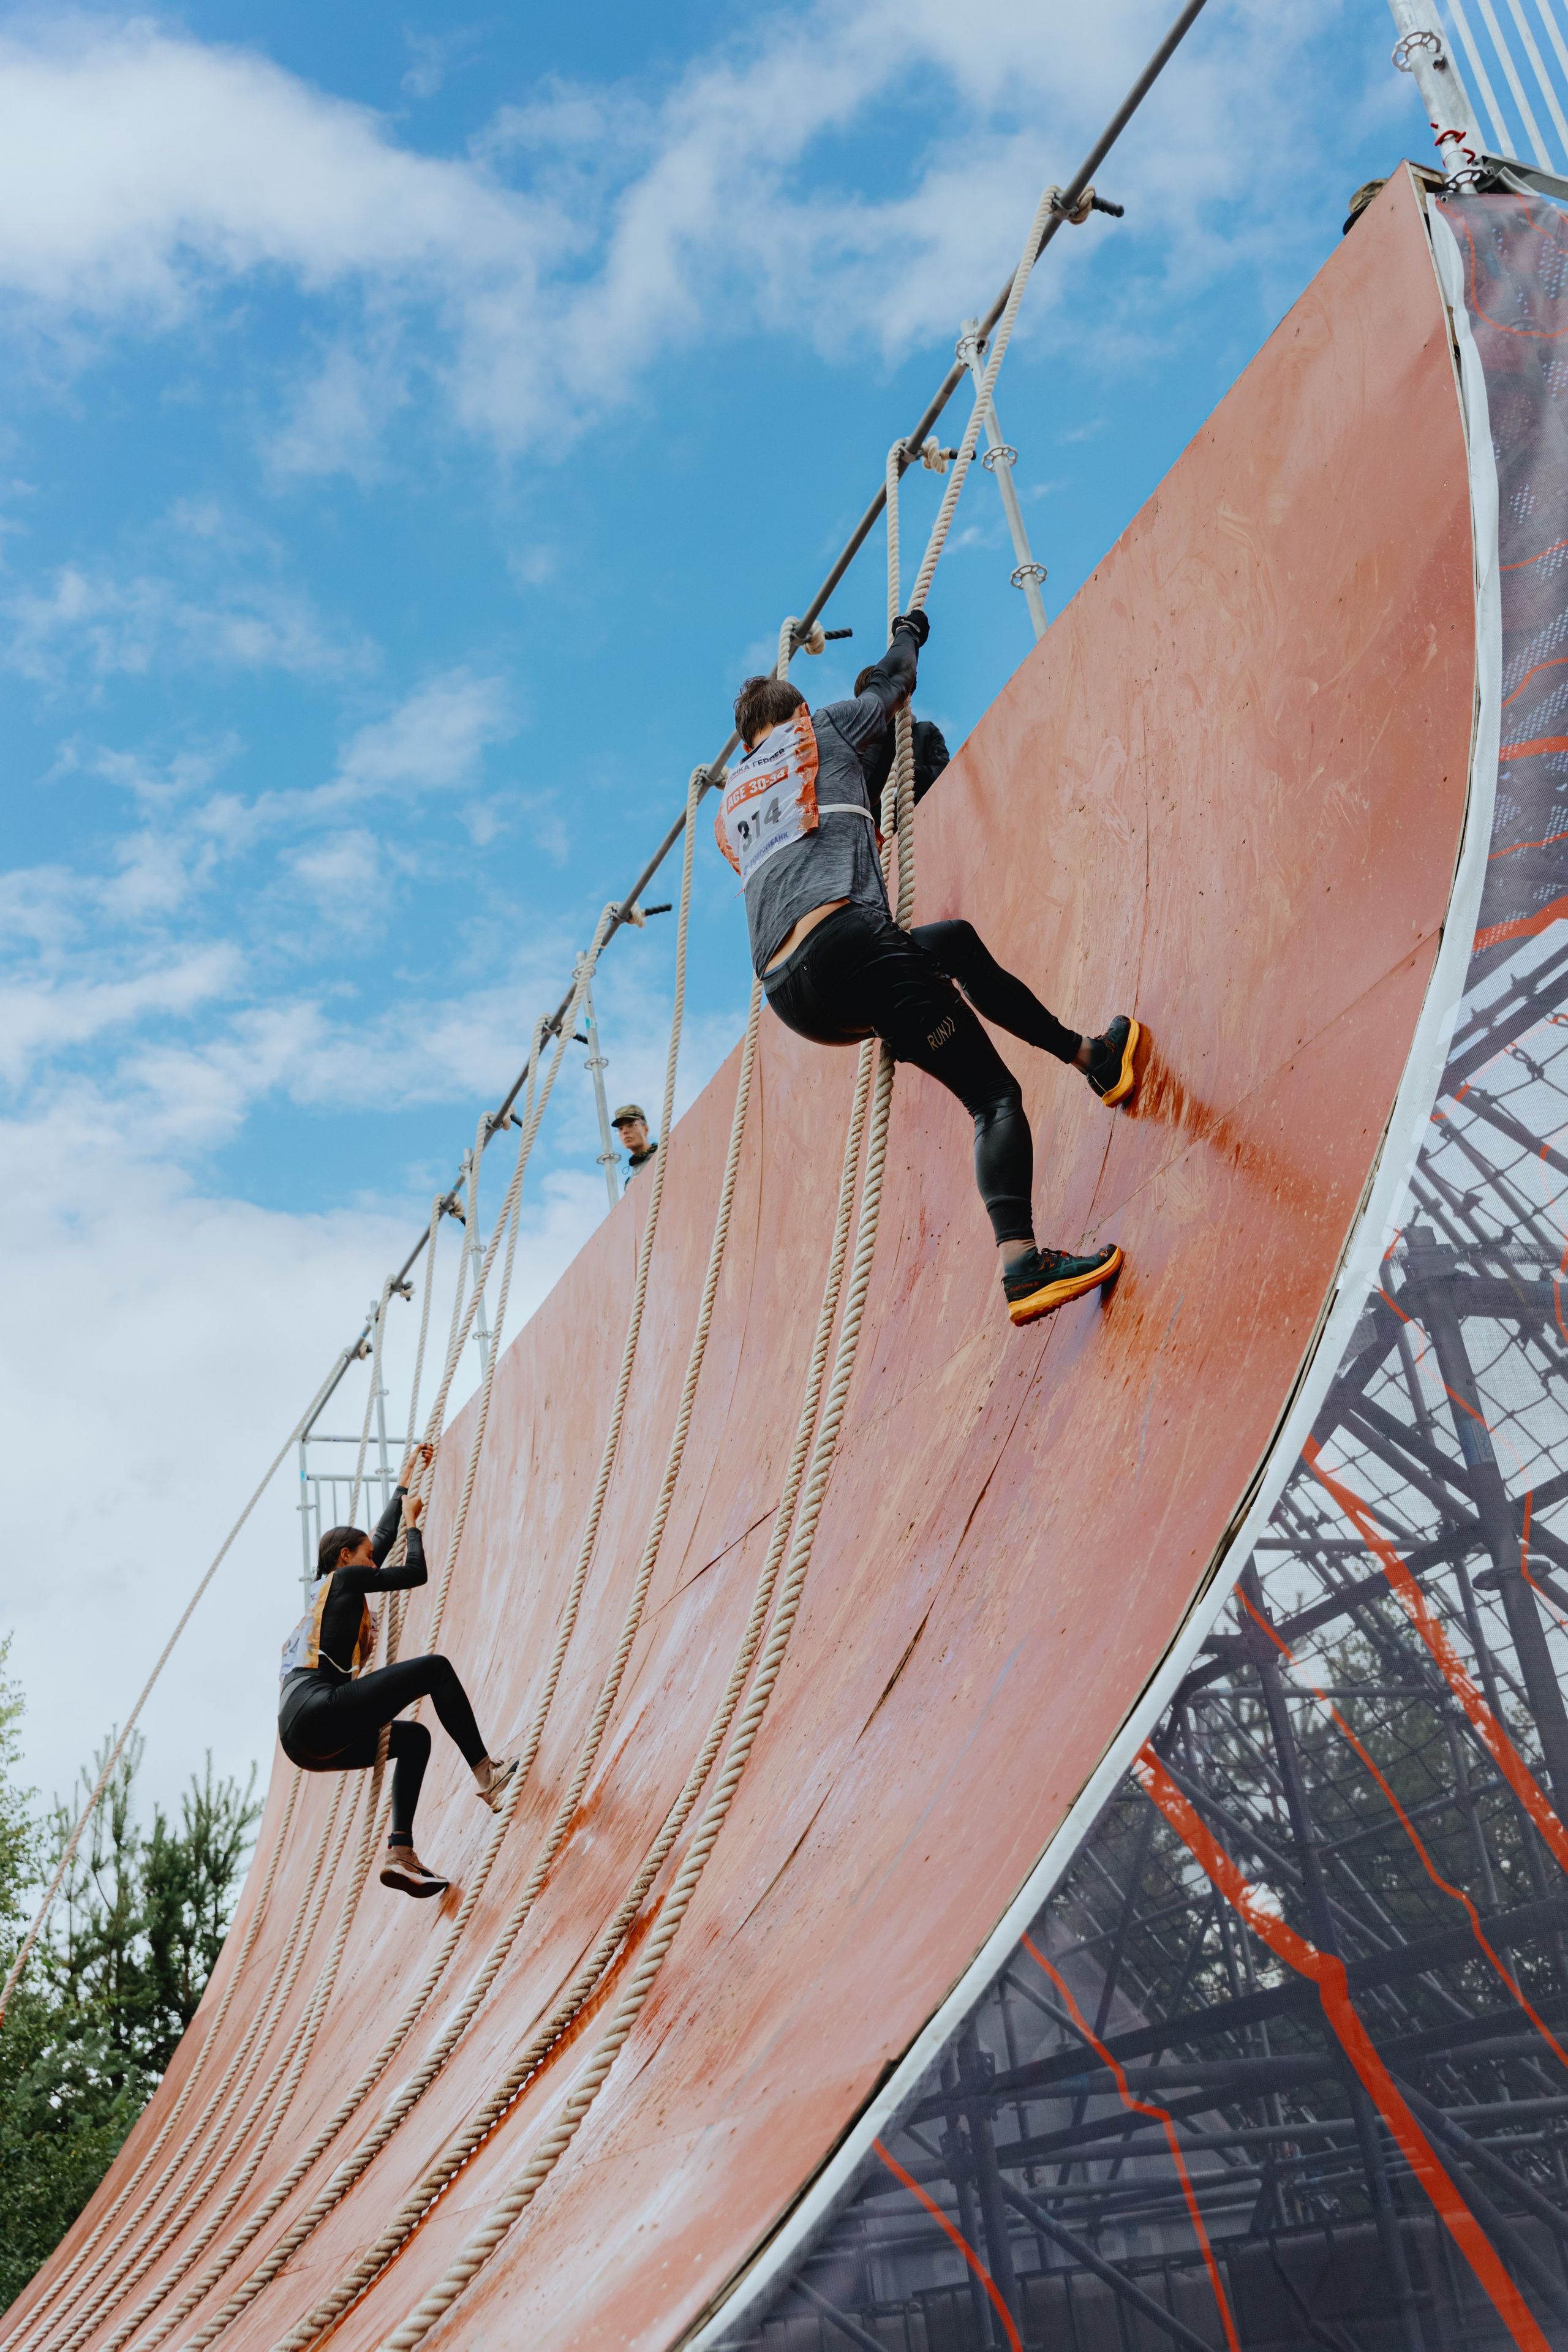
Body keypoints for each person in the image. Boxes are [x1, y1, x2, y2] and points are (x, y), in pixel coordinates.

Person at [714, 614, 1139, 1327]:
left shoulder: (733, 805)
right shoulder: (821, 728)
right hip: (850, 946)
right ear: (796, 713)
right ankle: (1022, 1265)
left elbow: (823, 822)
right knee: (994, 1097)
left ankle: (1093, 1058)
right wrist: (909, 630)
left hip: (792, 998)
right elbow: (894, 682)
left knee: (954, 944)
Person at [277, 1444, 518, 1899]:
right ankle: (488, 1774)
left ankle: (401, 1852)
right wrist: (414, 1523)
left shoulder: (329, 1592)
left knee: (413, 1739)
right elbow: (414, 1572)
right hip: (317, 1707)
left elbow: (380, 1538)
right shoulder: (347, 1580)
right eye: (367, 1557)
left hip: (302, 1743)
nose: (375, 1562)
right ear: (345, 1557)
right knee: (436, 1669)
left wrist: (406, 1474)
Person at [853, 663, 949, 818]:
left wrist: (909, 774)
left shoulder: (925, 732)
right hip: (880, 828)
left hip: (923, 816)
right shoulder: (861, 748)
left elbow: (943, 773)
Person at [612, 1103, 658, 1184]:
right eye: (620, 1129)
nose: (625, 1131)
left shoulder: (663, 1156)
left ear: (645, 1129)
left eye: (631, 1125)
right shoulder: (629, 1184)